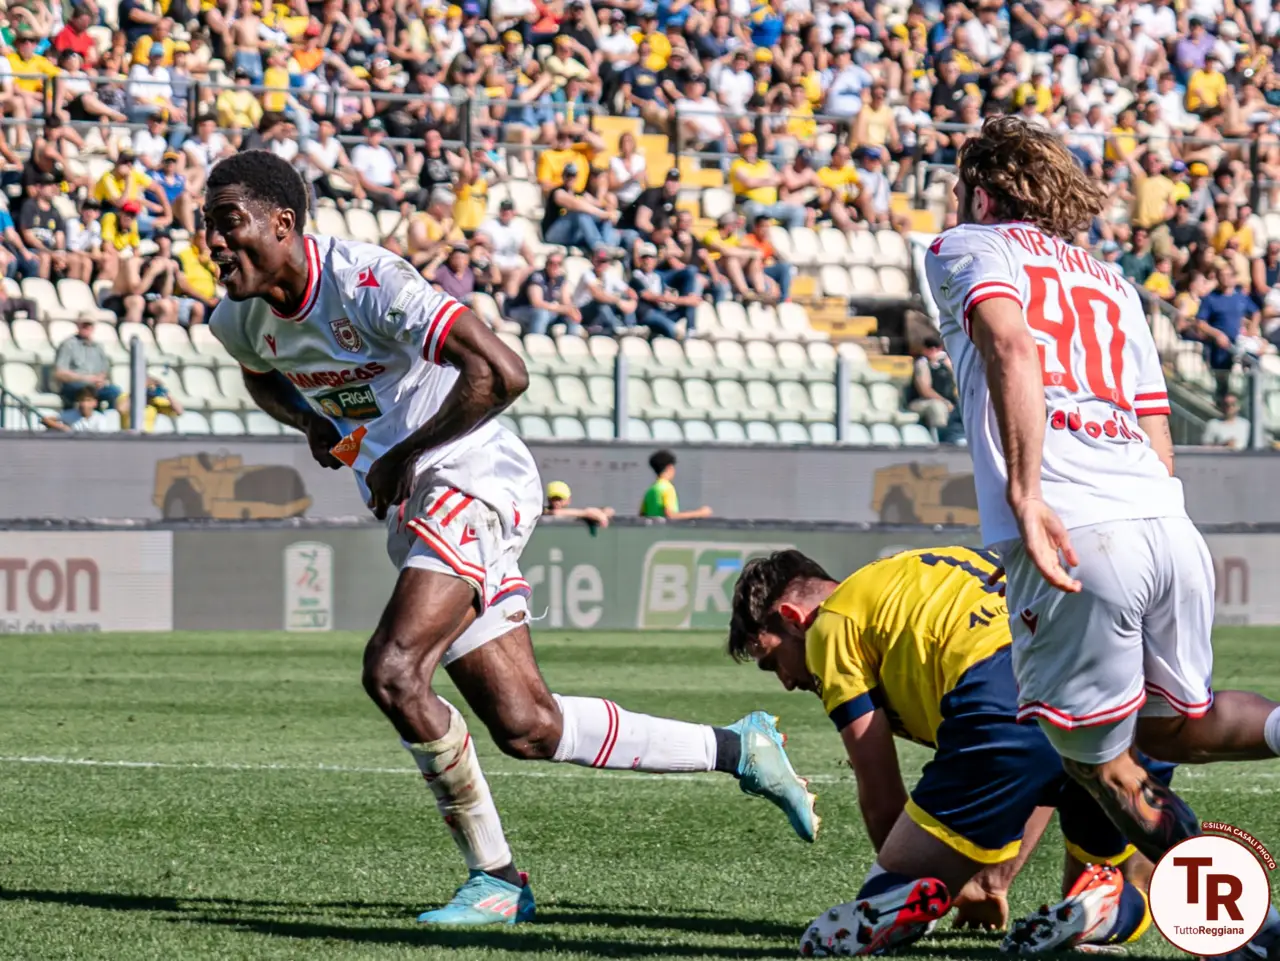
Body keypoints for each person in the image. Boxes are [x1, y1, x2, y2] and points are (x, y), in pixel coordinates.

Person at [204, 150, 816, 925]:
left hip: (472, 474)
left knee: (394, 670)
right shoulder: (239, 317)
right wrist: (310, 421)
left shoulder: (366, 282)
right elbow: (258, 369)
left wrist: (398, 454)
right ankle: (740, 748)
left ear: (283, 223)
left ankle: (495, 878)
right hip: (418, 501)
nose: (213, 242)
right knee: (528, 724)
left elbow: (502, 371)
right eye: (206, 225)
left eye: (228, 223)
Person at [923, 116, 1280, 956]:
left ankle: (1252, 928)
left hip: (1077, 531)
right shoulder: (1113, 282)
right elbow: (1156, 429)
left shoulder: (966, 246)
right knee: (1170, 728)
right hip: (1164, 522)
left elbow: (1011, 343)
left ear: (983, 192)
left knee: (1095, 763)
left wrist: (1026, 496)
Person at [728, 548, 1167, 956]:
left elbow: (880, 791)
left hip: (1004, 693)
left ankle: (899, 902)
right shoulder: (927, 569)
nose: (786, 681)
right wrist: (992, 883)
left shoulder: (831, 622)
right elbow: (1041, 772)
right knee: (1118, 881)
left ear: (792, 619)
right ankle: (1105, 909)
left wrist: (923, 877)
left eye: (772, 661)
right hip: (1122, 690)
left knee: (890, 894)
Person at [53, 318, 120, 410]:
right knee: (86, 392)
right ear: (78, 325)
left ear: (93, 328)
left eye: (89, 325)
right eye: (84, 325)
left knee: (115, 392)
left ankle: (106, 417)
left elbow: (104, 370)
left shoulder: (98, 347)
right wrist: (86, 379)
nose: (86, 327)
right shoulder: (68, 345)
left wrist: (100, 380)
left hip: (94, 386)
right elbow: (60, 373)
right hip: (75, 385)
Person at [905, 335, 958, 434]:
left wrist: (949, 366)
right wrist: (945, 402)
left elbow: (957, 383)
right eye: (930, 348)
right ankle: (940, 437)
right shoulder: (922, 363)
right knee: (937, 407)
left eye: (937, 348)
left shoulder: (945, 363)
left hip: (947, 401)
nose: (934, 351)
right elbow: (925, 391)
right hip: (921, 401)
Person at [639, 449, 711, 519]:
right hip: (666, 527)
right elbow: (671, 516)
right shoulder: (667, 488)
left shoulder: (651, 490)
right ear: (669, 467)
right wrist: (700, 513)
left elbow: (642, 516)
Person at [43, 385, 118, 432]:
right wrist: (62, 427)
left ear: (95, 403)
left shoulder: (100, 419)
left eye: (88, 400)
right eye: (81, 400)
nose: (84, 404)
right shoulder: (71, 414)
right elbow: (46, 419)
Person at [543, 480, 613, 529]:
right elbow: (556, 513)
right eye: (553, 499)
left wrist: (603, 513)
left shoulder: (573, 514)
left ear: (568, 500)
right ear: (548, 499)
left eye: (560, 499)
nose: (556, 502)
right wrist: (587, 513)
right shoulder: (543, 511)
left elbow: (610, 510)